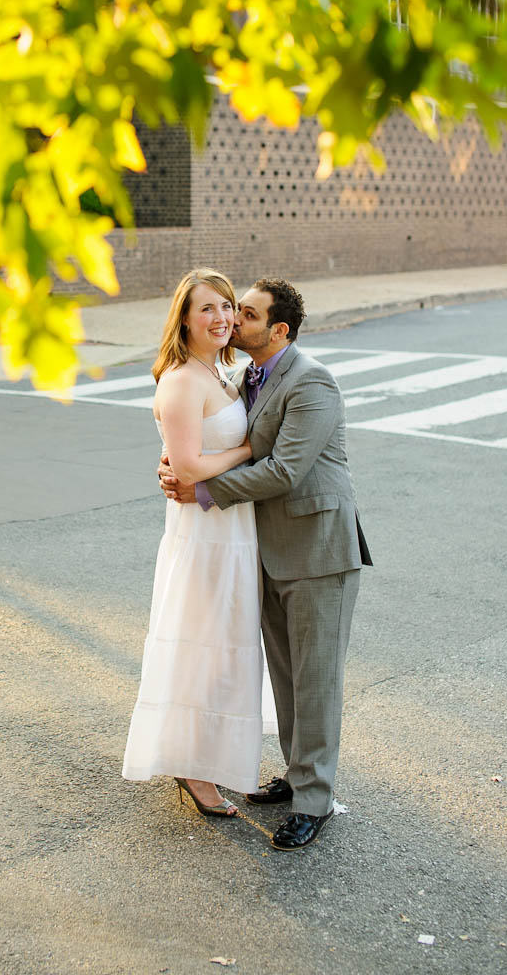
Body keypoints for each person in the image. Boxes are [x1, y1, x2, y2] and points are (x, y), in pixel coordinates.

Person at [159, 278, 371, 850]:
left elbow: (284, 471)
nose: (232, 319)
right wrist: (184, 464)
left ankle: (314, 800)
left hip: (317, 550)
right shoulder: (243, 377)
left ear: (277, 330)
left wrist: (203, 490)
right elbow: (202, 430)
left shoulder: (312, 382)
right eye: (228, 308)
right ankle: (297, 775)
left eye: (244, 313)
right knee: (285, 675)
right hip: (266, 550)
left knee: (316, 680)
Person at [122, 269, 272, 818]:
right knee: (204, 648)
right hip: (205, 537)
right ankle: (191, 765)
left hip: (231, 531)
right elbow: (187, 466)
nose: (222, 318)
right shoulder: (184, 379)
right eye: (207, 308)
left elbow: (191, 459)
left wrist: (238, 453)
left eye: (228, 307)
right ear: (184, 318)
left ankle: (215, 757)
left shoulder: (220, 373)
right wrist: (248, 450)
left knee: (227, 649)